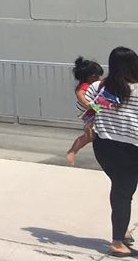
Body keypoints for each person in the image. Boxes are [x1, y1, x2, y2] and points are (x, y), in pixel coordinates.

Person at [86, 46, 138, 256]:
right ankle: (118, 242)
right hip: (131, 148)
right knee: (123, 192)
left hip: (104, 147)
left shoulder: (101, 88)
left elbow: (87, 112)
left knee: (121, 189)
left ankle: (122, 231)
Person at [67, 56, 103, 165]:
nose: (100, 78)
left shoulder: (95, 83)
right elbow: (83, 99)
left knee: (92, 135)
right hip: (89, 113)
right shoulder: (83, 87)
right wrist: (93, 106)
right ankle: (72, 151)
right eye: (98, 76)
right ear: (92, 77)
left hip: (96, 111)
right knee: (89, 136)